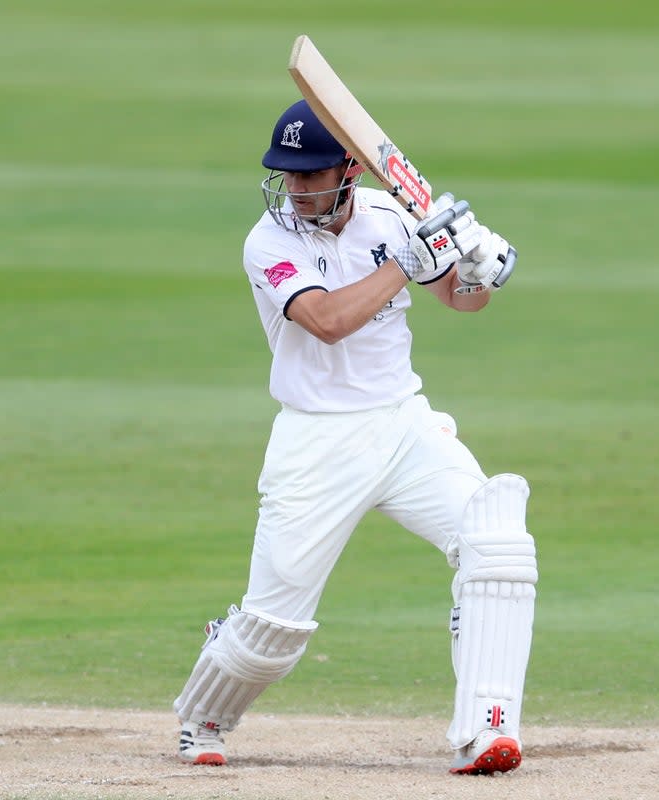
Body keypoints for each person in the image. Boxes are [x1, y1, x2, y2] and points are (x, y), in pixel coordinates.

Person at [172, 99, 537, 775]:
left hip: (404, 426)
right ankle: (205, 710)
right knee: (271, 633)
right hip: (316, 442)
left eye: (310, 175)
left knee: (497, 544)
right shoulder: (269, 241)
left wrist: (478, 265)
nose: (297, 188)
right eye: (287, 175)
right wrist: (407, 261)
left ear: (347, 169)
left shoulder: (388, 216)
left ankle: (487, 729)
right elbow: (329, 320)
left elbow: (460, 298)